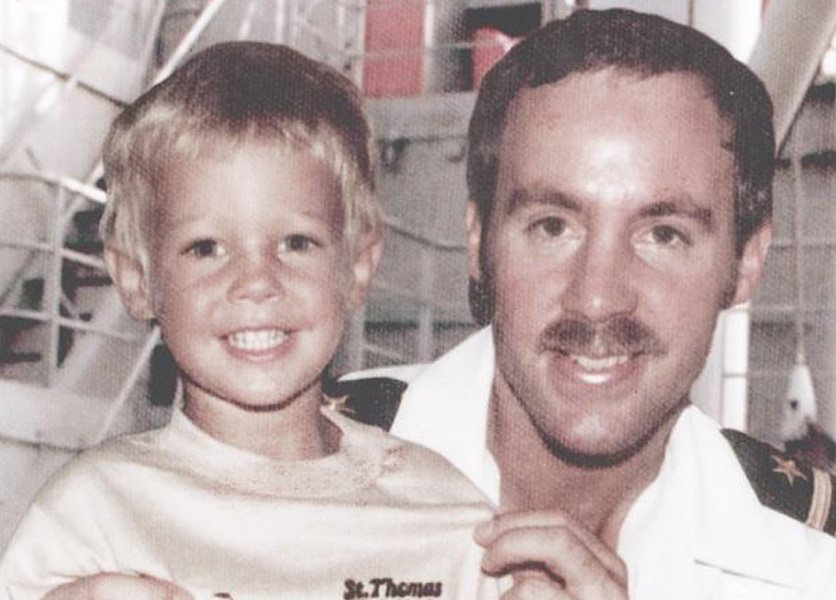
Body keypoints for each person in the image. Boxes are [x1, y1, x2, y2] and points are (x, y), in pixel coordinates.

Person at [334, 8, 836, 599]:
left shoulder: (803, 571)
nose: (597, 299)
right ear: (478, 241)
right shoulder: (309, 463)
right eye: (553, 226)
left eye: (663, 235)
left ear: (747, 263)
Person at [0, 42, 500, 600]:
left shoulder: (450, 520)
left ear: (357, 266)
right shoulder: (92, 520)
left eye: (296, 242)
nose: (256, 282)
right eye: (206, 247)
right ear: (137, 279)